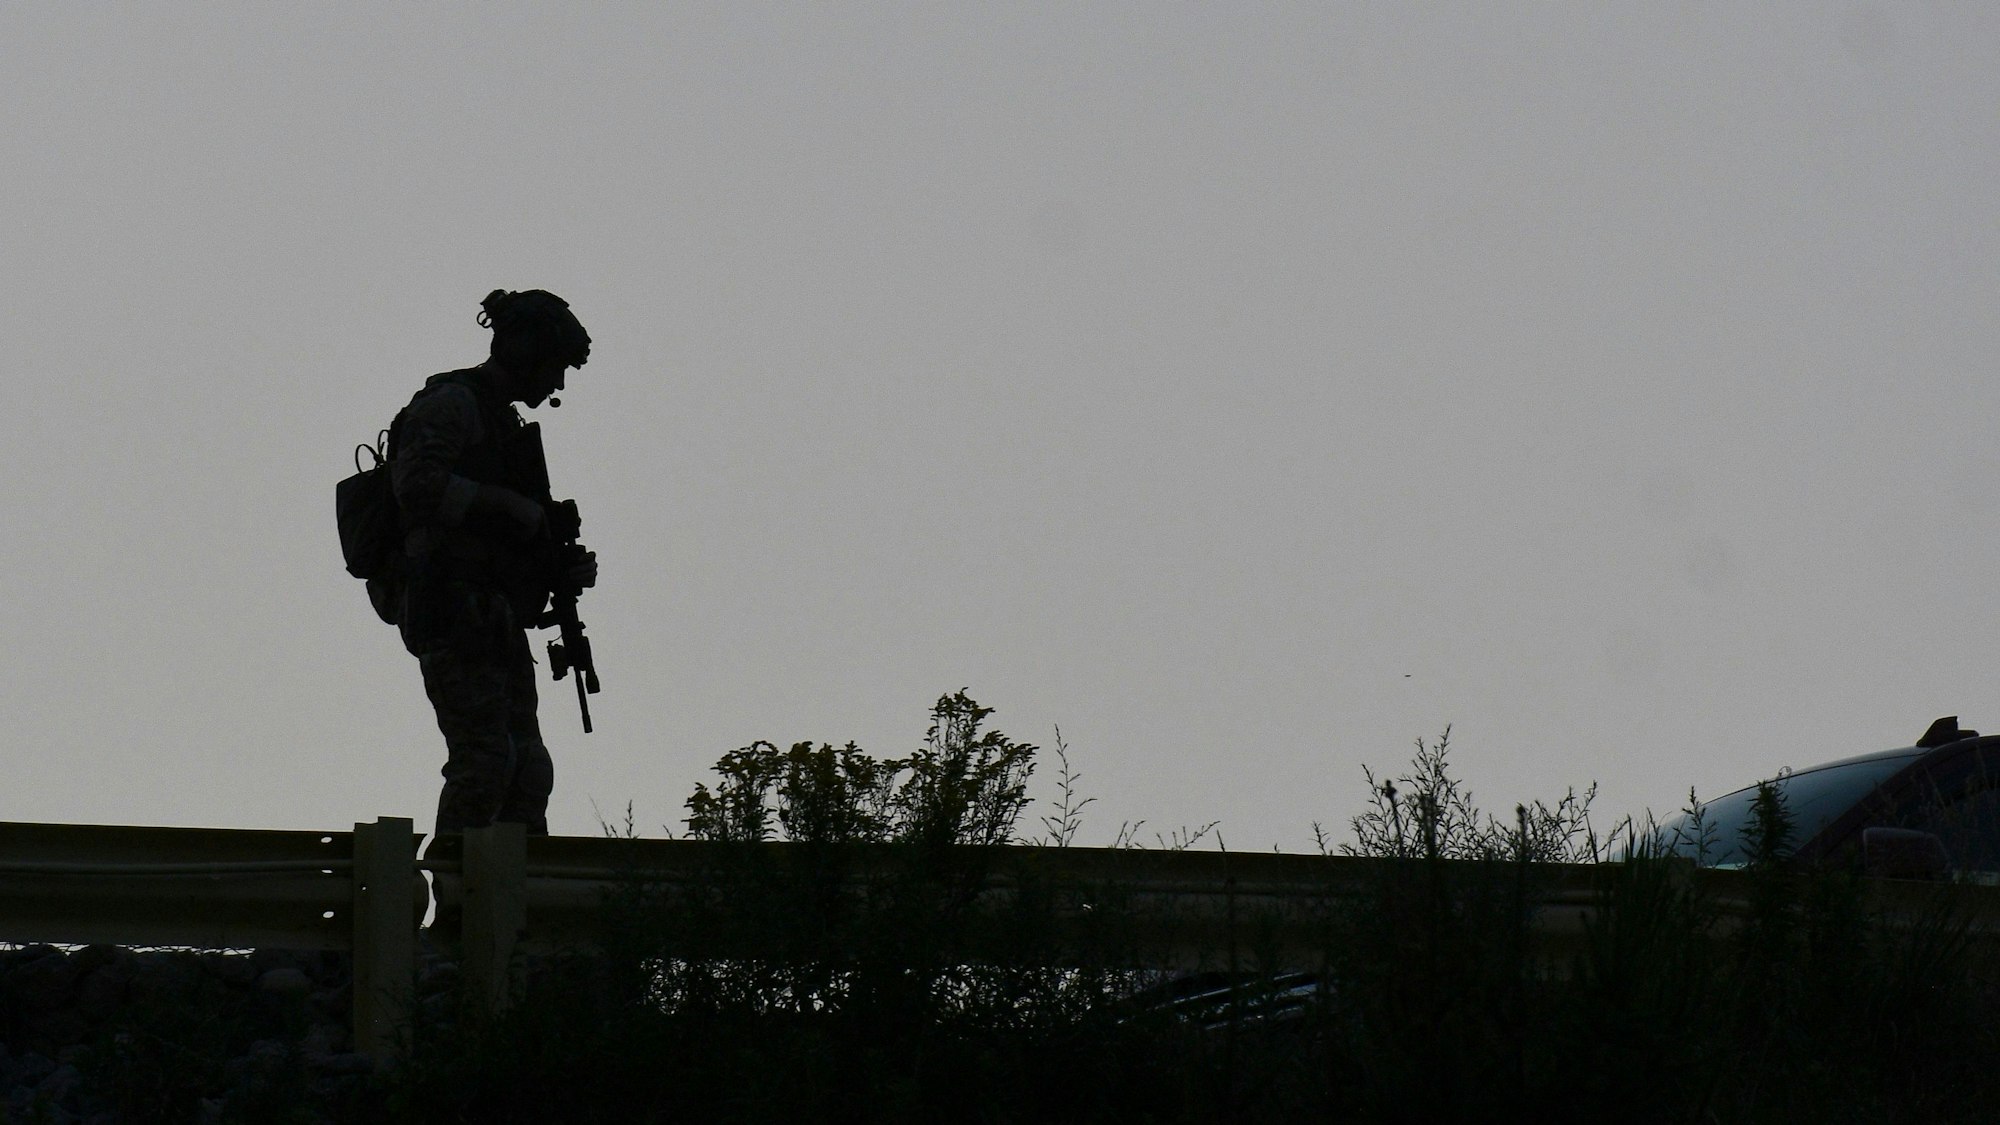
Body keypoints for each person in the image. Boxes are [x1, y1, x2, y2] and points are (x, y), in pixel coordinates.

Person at [387, 288, 598, 839]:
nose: (557, 382)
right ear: (525, 351)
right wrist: (508, 507)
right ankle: (461, 903)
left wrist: (561, 568)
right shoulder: (452, 404)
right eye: (554, 367)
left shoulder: (501, 425)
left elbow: (517, 536)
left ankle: (515, 905)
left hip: (494, 615)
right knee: (485, 762)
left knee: (528, 769)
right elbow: (418, 487)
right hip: (452, 605)